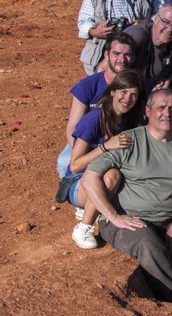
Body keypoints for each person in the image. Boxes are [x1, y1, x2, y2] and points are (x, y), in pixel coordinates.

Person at [82, 88, 172, 302]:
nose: (168, 113)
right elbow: (89, 178)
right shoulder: (129, 140)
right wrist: (113, 216)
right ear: (148, 111)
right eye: (161, 108)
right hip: (132, 218)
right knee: (147, 243)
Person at [63, 69, 144, 249]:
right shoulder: (94, 119)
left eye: (133, 95)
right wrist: (106, 146)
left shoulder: (129, 120)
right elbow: (75, 165)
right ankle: (83, 227)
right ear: (113, 91)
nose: (127, 99)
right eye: (123, 92)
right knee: (111, 175)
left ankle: (100, 209)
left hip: (105, 182)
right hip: (79, 183)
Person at [65, 32, 136, 149]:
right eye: (116, 54)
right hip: (87, 141)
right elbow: (72, 127)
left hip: (122, 144)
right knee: (64, 162)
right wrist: (86, 155)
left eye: (127, 55)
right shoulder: (87, 86)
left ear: (133, 58)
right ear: (106, 55)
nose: (122, 59)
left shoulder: (136, 86)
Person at [123, 2, 172, 94]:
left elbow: (165, 81)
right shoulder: (137, 36)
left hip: (147, 93)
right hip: (122, 88)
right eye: (165, 22)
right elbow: (111, 67)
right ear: (156, 18)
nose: (170, 29)